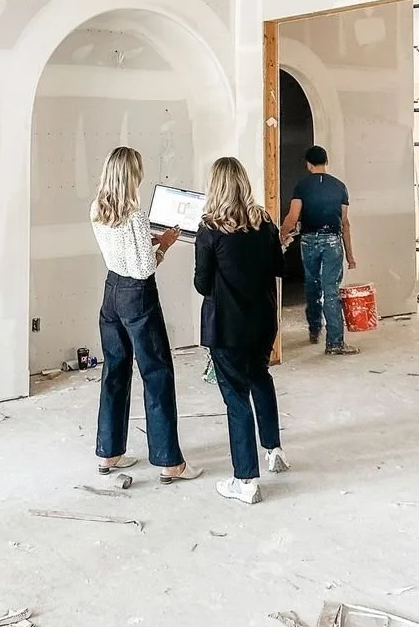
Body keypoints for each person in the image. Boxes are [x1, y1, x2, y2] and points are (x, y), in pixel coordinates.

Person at [90, 147, 201, 484]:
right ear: (132, 175)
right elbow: (143, 268)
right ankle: (170, 462)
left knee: (115, 372)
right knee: (156, 373)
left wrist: (146, 239)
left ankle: (109, 453)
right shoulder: (135, 216)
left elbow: (120, 248)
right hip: (137, 298)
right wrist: (164, 243)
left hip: (111, 295)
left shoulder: (97, 208)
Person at [194, 157, 289, 506]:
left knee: (236, 399)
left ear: (215, 186)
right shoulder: (264, 222)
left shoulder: (208, 230)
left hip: (227, 328)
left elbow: (202, 284)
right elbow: (279, 268)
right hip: (263, 321)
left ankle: (245, 479)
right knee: (260, 379)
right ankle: (274, 448)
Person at [280, 145, 359, 355]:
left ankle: (314, 330)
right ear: (326, 162)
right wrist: (350, 255)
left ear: (308, 164)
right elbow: (345, 223)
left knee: (312, 286)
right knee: (331, 291)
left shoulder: (302, 186)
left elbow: (293, 216)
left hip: (308, 241)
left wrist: (280, 235)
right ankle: (335, 343)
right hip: (333, 242)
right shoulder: (339, 187)